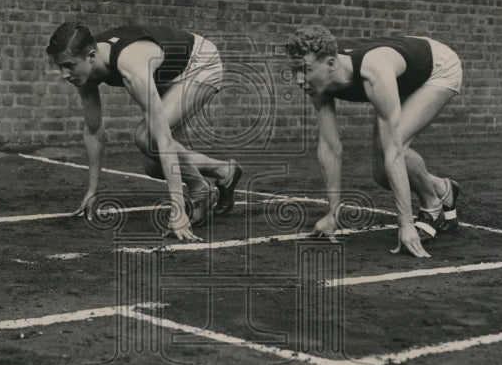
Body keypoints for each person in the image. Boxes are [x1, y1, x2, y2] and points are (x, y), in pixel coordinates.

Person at [46, 21, 243, 241]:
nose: (64, 74)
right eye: (60, 66)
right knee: (153, 165)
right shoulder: (84, 71)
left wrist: (177, 211)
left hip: (200, 63)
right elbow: (94, 131)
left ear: (91, 56)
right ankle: (224, 171)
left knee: (148, 138)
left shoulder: (131, 67)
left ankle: (199, 187)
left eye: (69, 65)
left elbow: (163, 140)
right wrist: (93, 190)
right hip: (168, 72)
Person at [286, 24, 462, 257]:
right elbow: (330, 146)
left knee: (389, 150)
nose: (299, 79)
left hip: (437, 68)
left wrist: (406, 224)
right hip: (403, 71)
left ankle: (433, 205)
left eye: (305, 70)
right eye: (295, 70)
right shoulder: (319, 82)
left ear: (330, 64)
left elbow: (395, 152)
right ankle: (442, 188)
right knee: (381, 174)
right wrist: (333, 214)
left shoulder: (372, 73)